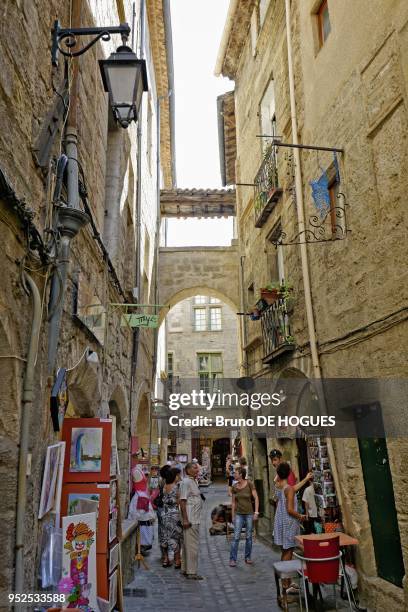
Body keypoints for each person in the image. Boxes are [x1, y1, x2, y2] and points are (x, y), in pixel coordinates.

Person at [274, 462, 306, 601]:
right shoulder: (289, 489)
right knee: (288, 552)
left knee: (285, 552)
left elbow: (279, 481)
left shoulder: (279, 486)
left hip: (280, 522)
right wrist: (301, 516)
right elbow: (290, 510)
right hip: (288, 523)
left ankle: (285, 583)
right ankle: (286, 585)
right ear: (288, 473)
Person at [229, 466, 259, 567]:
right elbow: (233, 502)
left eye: (236, 473)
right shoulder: (234, 487)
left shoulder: (249, 484)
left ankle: (248, 557)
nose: (234, 474)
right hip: (238, 514)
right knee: (236, 537)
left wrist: (256, 512)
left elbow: (256, 498)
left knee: (249, 537)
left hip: (249, 514)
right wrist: (233, 516)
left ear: (241, 474)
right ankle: (233, 559)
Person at [179, 462, 204, 580]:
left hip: (194, 517)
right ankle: (191, 571)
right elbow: (182, 501)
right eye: (194, 468)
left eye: (197, 468)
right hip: (190, 518)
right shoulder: (186, 482)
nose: (197, 470)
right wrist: (185, 519)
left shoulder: (192, 481)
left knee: (187, 545)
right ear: (188, 470)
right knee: (192, 546)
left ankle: (185, 568)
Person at [159, 467, 183, 568]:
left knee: (164, 535)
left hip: (164, 513)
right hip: (174, 513)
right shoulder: (177, 486)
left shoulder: (164, 486)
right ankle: (177, 560)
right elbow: (179, 501)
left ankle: (165, 559)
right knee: (176, 536)